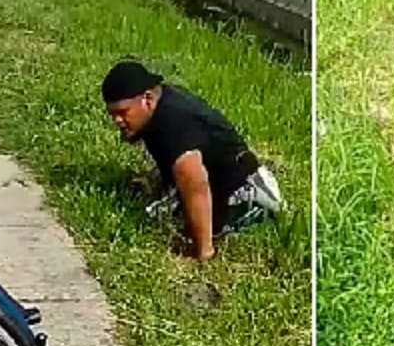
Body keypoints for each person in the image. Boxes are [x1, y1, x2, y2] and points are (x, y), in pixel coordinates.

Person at [101, 60, 284, 261]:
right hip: (226, 183)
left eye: (123, 112)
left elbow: (193, 181)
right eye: (112, 114)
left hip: (249, 197)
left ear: (147, 98)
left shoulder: (174, 124)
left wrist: (203, 251)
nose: (117, 121)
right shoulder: (160, 107)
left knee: (170, 219)